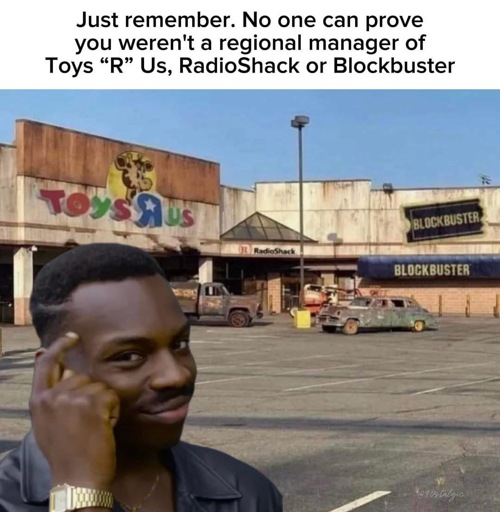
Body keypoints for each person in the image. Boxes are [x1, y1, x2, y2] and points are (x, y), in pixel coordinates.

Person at [0, 243, 283, 512]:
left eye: (180, 344)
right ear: (54, 371)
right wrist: (79, 493)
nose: (176, 375)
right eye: (129, 356)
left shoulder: (246, 492)